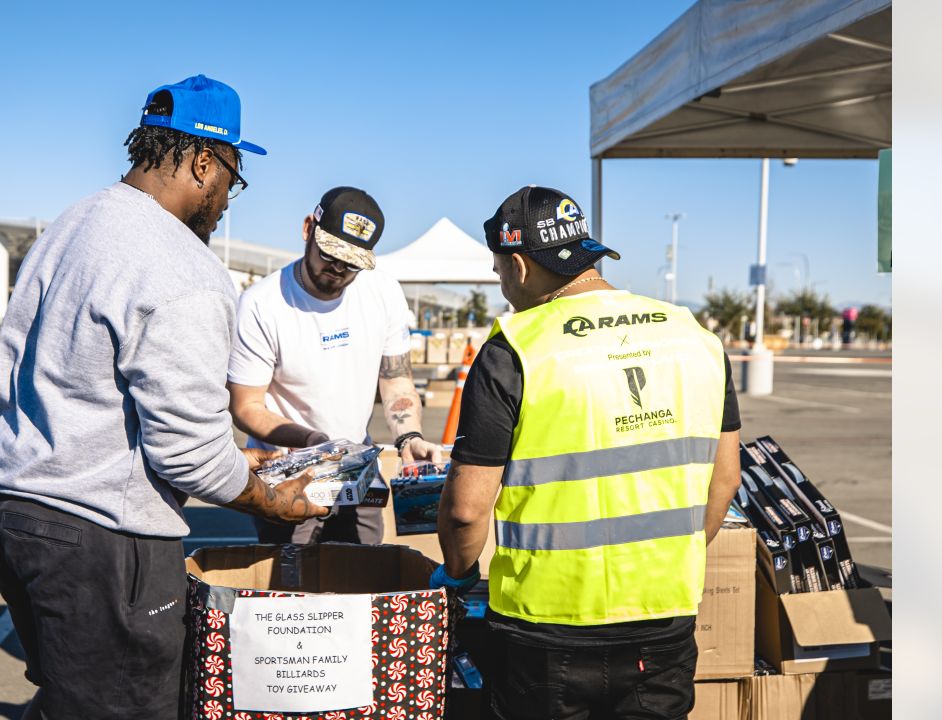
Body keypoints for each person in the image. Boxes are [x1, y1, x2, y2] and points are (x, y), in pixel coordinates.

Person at [0, 75, 328, 720]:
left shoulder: (73, 225)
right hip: (97, 530)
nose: (225, 202)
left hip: (8, 506)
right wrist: (269, 496)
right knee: (125, 706)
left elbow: (90, 388)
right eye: (232, 182)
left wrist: (244, 457)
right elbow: (187, 456)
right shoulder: (180, 267)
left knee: (72, 698)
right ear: (203, 162)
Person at [432, 186, 742, 720]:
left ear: (521, 266)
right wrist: (670, 557)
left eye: (499, 272)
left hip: (544, 630)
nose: (503, 287)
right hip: (662, 619)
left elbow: (466, 509)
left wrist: (457, 575)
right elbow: (725, 480)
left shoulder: (515, 347)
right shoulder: (695, 337)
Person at [228, 186, 445, 545]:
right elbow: (246, 406)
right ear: (307, 230)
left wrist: (409, 437)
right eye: (331, 254)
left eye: (352, 263)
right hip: (290, 476)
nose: (338, 269)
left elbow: (396, 380)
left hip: (357, 470)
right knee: (291, 591)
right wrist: (311, 442)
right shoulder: (261, 304)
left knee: (363, 579)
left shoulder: (384, 291)